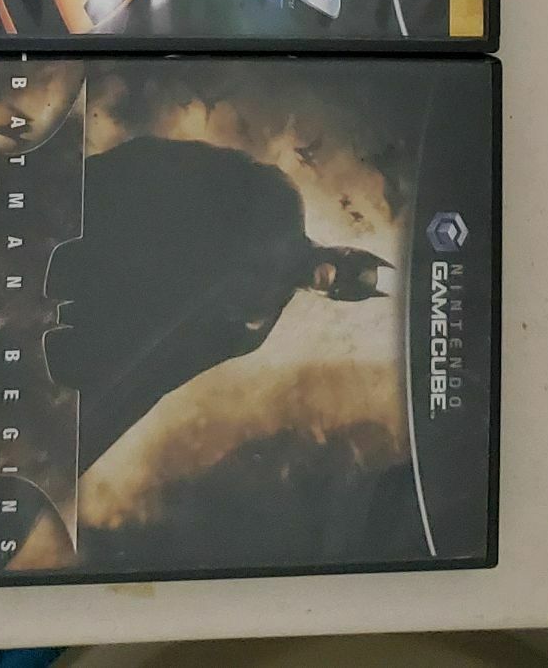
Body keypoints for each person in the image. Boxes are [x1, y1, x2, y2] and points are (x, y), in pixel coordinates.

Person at [43, 135, 394, 469]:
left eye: (342, 289)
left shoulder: (257, 323)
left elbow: (159, 374)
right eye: (344, 270)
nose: (333, 279)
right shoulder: (279, 201)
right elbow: (169, 163)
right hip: (92, 241)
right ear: (343, 250)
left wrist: (78, 442)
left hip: (92, 326)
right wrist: (84, 188)